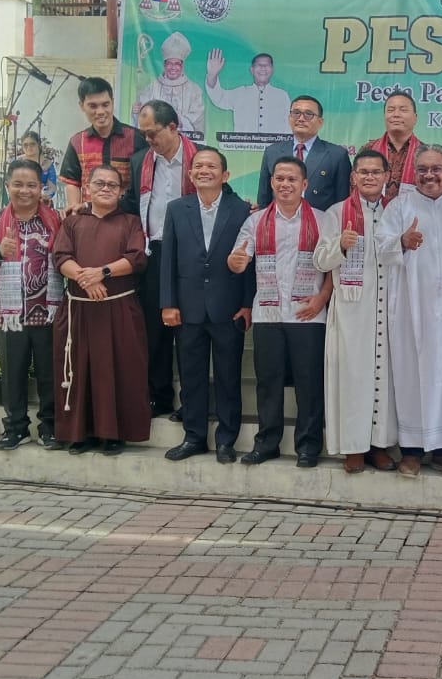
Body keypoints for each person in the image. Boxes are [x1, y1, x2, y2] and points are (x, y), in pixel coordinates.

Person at [376, 145, 442, 478]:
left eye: (436, 169)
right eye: (422, 169)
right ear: (414, 173)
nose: (429, 175)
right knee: (411, 376)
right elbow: (380, 247)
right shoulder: (399, 207)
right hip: (410, 309)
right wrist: (401, 242)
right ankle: (412, 451)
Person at [229, 157, 332, 467]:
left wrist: (322, 299)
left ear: (304, 184)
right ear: (272, 182)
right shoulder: (255, 221)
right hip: (268, 313)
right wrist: (236, 262)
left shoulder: (323, 220)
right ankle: (267, 443)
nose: (285, 184)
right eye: (280, 179)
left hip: (308, 313)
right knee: (268, 381)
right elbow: (238, 259)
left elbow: (334, 267)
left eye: (292, 179)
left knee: (309, 382)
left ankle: (308, 446)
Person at [160, 147, 256, 464]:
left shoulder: (242, 210)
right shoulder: (177, 209)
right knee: (191, 376)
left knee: (228, 376)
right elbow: (168, 258)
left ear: (225, 175)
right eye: (198, 166)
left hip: (228, 308)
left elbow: (249, 261)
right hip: (187, 308)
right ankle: (194, 437)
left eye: (212, 166)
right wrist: (168, 303)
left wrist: (247, 303)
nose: (204, 170)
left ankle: (226, 440)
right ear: (190, 174)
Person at [53, 165, 151, 455]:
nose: (106, 188)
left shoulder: (131, 222)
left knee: (118, 370)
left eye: (112, 185)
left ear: (121, 191)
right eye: (100, 183)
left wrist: (102, 272)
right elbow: (61, 257)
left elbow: (136, 258)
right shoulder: (72, 222)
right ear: (87, 188)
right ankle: (80, 433)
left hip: (119, 307)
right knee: (80, 369)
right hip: (80, 309)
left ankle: (113, 434)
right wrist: (86, 279)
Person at [313, 149, 398, 473]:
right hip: (351, 311)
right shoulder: (337, 213)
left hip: (387, 308)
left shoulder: (396, 211)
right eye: (363, 172)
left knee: (384, 378)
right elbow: (320, 261)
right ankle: (353, 448)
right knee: (352, 378)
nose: (369, 177)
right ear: (353, 177)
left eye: (376, 172)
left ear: (387, 176)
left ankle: (379, 445)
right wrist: (341, 245)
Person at [0, 158, 63, 451]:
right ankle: (15, 428)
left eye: (31, 185)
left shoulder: (56, 220)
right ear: (7, 186)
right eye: (18, 184)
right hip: (10, 315)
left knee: (50, 374)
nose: (24, 190)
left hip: (49, 313)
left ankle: (50, 427)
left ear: (41, 188)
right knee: (12, 375)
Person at [121, 100, 198, 418]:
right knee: (155, 329)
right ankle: (159, 396)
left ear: (173, 127)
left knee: (190, 332)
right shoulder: (140, 160)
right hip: (154, 252)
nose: (147, 139)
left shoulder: (200, 158)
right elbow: (130, 204)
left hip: (193, 256)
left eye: (152, 133)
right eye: (143, 133)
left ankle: (192, 402)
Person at [59, 77, 147, 209]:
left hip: (126, 215)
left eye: (105, 105)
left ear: (112, 102)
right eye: (93, 106)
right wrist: (75, 210)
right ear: (82, 106)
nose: (100, 112)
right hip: (89, 215)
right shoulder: (77, 142)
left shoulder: (136, 138)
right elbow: (72, 182)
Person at [258, 95, 351, 210]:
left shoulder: (337, 155)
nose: (301, 118)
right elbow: (264, 198)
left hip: (320, 219)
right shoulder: (272, 152)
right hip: (279, 219)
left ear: (320, 122)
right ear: (289, 118)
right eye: (296, 113)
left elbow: (342, 202)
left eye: (308, 114)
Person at [133, 32, 206, 134]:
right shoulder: (152, 87)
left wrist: (181, 120)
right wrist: (136, 112)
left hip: (184, 139)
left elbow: (198, 118)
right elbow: (142, 118)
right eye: (169, 63)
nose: (173, 68)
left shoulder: (194, 90)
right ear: (164, 65)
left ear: (182, 66)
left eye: (177, 64)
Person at [360, 90, 424, 206]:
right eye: (390, 110)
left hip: (414, 214)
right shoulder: (368, 150)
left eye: (403, 110)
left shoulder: (425, 153)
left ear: (415, 118)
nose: (396, 114)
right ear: (384, 116)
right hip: (372, 213)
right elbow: (356, 187)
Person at [205, 50, 291, 134]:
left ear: (272, 69)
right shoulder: (240, 93)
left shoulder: (282, 95)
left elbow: (289, 125)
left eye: (267, 65)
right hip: (243, 143)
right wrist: (212, 75)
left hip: (275, 144)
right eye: (259, 65)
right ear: (252, 70)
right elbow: (218, 97)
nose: (263, 67)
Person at [17, 131, 58, 202]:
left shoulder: (47, 163)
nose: (29, 147)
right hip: (21, 200)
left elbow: (52, 188)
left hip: (42, 200)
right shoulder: (17, 162)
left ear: (38, 144)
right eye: (25, 145)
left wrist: (41, 195)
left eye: (32, 144)